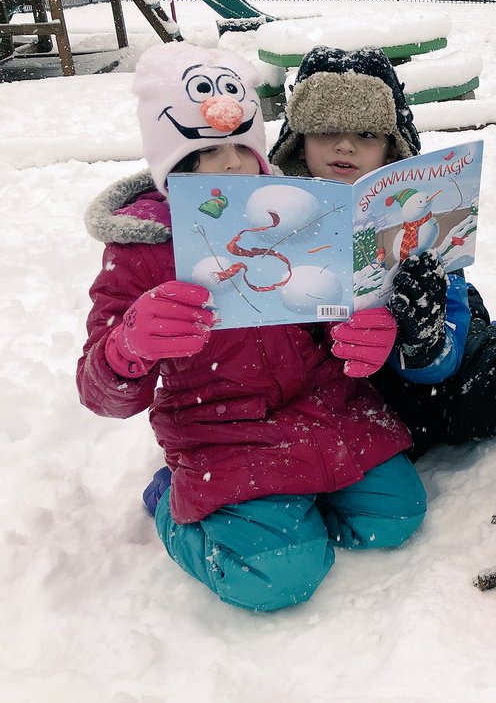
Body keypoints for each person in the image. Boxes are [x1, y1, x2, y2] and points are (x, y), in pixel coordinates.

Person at [76, 43, 425, 612]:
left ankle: (288, 502)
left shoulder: (296, 211)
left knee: (397, 515)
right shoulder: (141, 247)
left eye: (244, 144)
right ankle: (171, 503)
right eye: (208, 150)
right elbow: (100, 393)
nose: (234, 164)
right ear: (171, 162)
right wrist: (127, 347)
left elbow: (332, 316)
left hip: (321, 405)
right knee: (276, 576)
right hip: (220, 427)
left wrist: (370, 331)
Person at [269, 45, 496, 458]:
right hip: (319, 384)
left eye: (366, 134)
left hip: (417, 349)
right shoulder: (268, 210)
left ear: (392, 149)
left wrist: (425, 343)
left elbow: (441, 352)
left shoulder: (416, 207)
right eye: (325, 131)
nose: (344, 146)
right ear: (298, 141)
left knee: (482, 399)